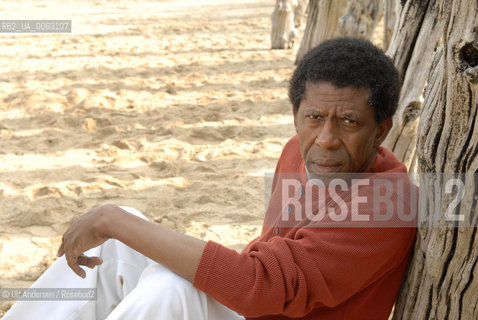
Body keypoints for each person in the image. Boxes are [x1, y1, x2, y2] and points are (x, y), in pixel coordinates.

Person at [3, 37, 417, 320]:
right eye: (313, 118)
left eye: (348, 122)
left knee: (169, 285)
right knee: (119, 243)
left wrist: (109, 218)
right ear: (296, 116)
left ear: (381, 129)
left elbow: (261, 286)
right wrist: (117, 225)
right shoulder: (298, 152)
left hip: (264, 306)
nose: (326, 140)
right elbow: (264, 257)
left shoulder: (386, 206)